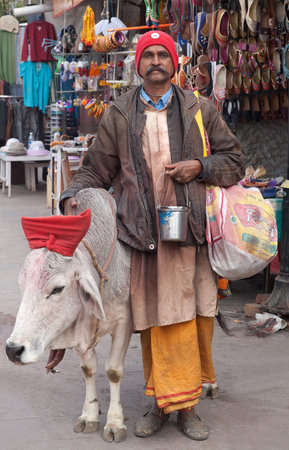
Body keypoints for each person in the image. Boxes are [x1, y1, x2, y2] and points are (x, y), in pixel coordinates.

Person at [59, 30, 245, 441]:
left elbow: (236, 160)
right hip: (142, 237)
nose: (156, 60)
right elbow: (96, 169)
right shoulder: (120, 114)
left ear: (174, 63)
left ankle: (188, 407)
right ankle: (162, 404)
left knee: (190, 318)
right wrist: (73, 194)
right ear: (138, 64)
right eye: (149, 55)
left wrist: (200, 166)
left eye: (164, 54)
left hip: (190, 234)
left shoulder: (201, 109)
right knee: (154, 321)